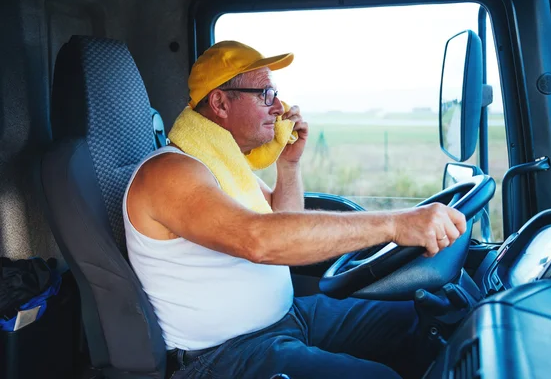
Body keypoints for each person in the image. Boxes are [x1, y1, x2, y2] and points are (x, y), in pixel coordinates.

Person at [123, 41, 466, 379]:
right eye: (266, 95)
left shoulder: (222, 166)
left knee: (421, 320)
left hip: (286, 319)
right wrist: (394, 224)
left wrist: (289, 165)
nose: (280, 107)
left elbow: (279, 226)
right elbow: (258, 239)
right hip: (224, 357)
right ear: (220, 102)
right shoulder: (169, 172)